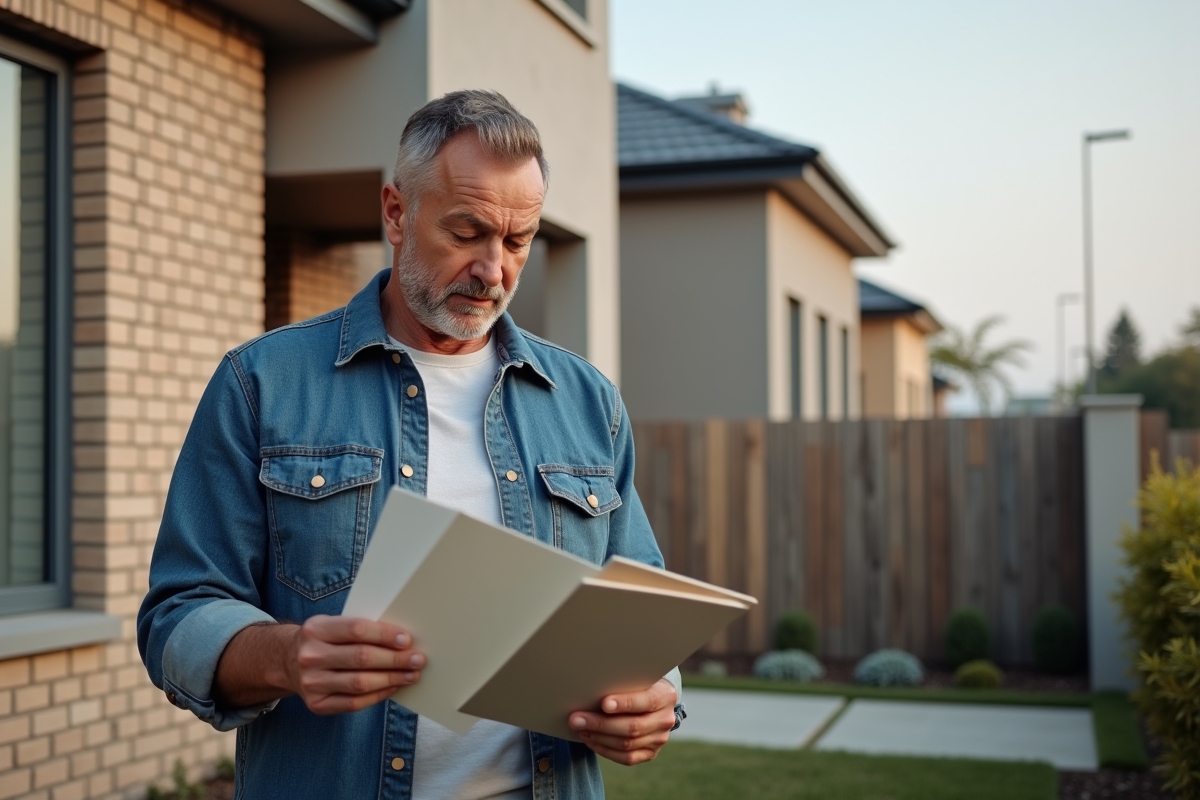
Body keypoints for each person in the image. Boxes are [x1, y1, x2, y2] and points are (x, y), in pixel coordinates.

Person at [137, 89, 683, 800]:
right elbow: (177, 615)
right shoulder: (260, 384)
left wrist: (654, 701)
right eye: (467, 233)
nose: (495, 270)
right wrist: (287, 656)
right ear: (396, 212)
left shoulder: (589, 403)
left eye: (518, 241)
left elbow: (639, 618)